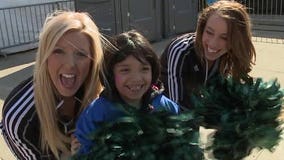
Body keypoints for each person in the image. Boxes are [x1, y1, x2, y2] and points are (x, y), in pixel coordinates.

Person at [0, 11, 105, 159]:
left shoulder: (105, 95)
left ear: (93, 61)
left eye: (81, 54)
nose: (70, 65)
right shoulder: (20, 117)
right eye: (58, 51)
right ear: (45, 56)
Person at [74, 30, 180, 155]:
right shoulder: (97, 113)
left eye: (144, 69)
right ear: (110, 74)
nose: (136, 78)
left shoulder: (165, 107)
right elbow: (83, 149)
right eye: (125, 70)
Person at [160, 0, 256, 110]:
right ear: (202, 28)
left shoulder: (228, 55)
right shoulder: (181, 51)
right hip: (162, 113)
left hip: (195, 107)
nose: (213, 44)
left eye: (224, 37)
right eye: (209, 32)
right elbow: (177, 108)